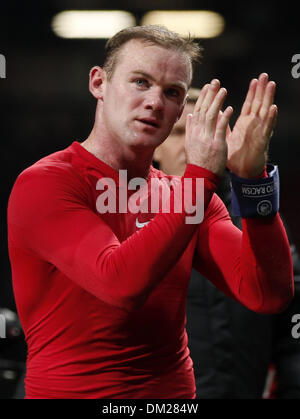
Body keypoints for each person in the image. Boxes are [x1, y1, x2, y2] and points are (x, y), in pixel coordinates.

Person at [7, 25, 294, 399]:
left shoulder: (188, 194)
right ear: (99, 82)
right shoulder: (46, 183)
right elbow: (119, 284)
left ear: (180, 110)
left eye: (171, 92)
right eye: (140, 82)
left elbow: (267, 294)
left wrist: (253, 180)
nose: (156, 102)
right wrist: (202, 177)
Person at [154, 89, 300, 399]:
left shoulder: (262, 225)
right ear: (156, 146)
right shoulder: (128, 223)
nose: (191, 144)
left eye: (206, 130)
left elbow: (293, 336)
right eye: (179, 133)